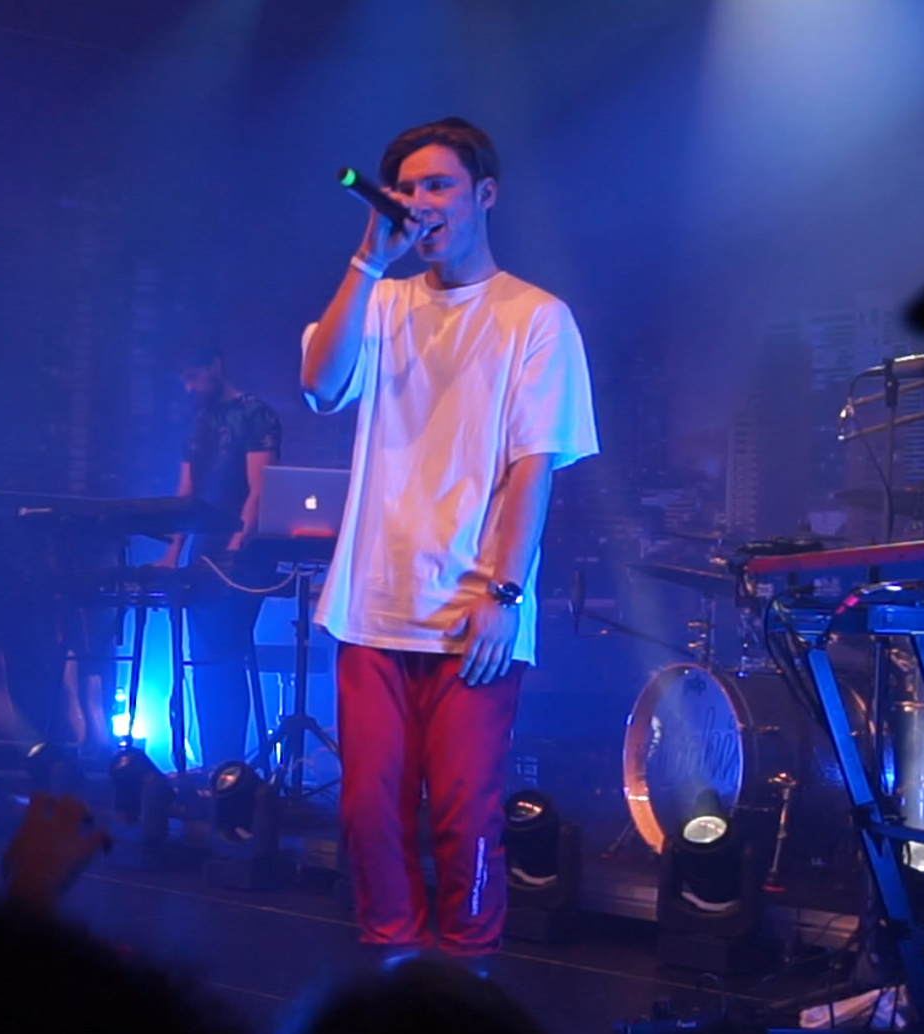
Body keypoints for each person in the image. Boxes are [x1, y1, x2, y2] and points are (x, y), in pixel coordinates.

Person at [300, 118, 598, 962]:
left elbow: (534, 468)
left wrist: (506, 593)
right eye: (407, 189)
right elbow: (320, 383)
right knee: (369, 811)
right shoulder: (383, 302)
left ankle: (467, 974)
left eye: (439, 186)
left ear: (484, 195)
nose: (420, 202)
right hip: (372, 605)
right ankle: (392, 968)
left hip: (474, 612)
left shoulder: (535, 317)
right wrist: (369, 260)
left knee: (465, 816)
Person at [155, 345, 281, 772]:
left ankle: (228, 767)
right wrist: (173, 552)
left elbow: (259, 488)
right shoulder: (199, 421)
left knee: (224, 656)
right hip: (202, 552)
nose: (190, 387)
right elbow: (186, 492)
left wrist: (236, 545)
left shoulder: (254, 414)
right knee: (204, 659)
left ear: (216, 366)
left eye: (195, 377)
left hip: (243, 557)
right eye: (184, 381)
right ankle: (215, 765)